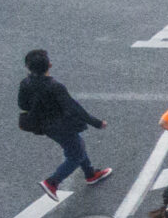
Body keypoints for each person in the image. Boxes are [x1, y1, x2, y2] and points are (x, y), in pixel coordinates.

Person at [17, 51, 111, 200]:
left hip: (44, 125)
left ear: (27, 67)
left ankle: (90, 174)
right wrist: (97, 123)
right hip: (63, 126)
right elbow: (74, 108)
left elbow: (22, 104)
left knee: (77, 145)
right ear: (50, 65)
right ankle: (52, 182)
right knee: (75, 155)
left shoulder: (25, 83)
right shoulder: (55, 86)